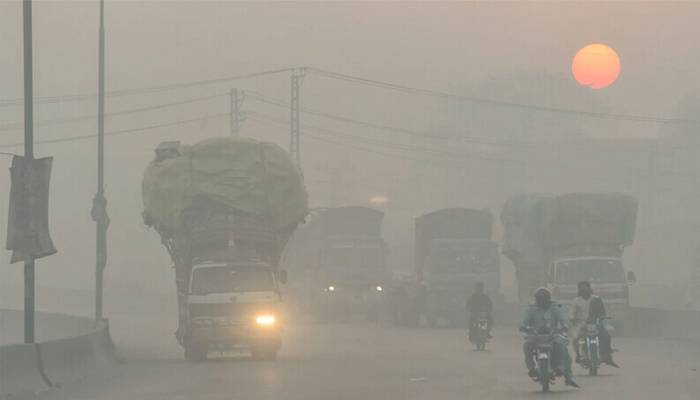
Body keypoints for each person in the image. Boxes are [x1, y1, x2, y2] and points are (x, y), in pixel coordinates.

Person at [520, 287, 579, 388]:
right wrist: (524, 327)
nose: (542, 300)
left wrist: (564, 326)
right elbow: (524, 321)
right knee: (527, 345)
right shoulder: (532, 308)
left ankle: (560, 368)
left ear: (548, 298)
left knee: (561, 346)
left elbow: (562, 319)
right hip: (536, 336)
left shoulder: (554, 307)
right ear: (536, 299)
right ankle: (531, 368)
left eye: (544, 298)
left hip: (552, 335)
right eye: (539, 298)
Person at [570, 281, 619, 368]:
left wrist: (603, 317)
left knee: (606, 336)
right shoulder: (576, 301)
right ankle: (578, 355)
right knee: (575, 338)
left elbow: (603, 312)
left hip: (595, 324)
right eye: (582, 289)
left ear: (589, 289)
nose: (584, 291)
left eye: (586, 288)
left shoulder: (596, 299)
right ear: (579, 290)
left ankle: (607, 356)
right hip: (581, 324)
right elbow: (572, 314)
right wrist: (572, 318)